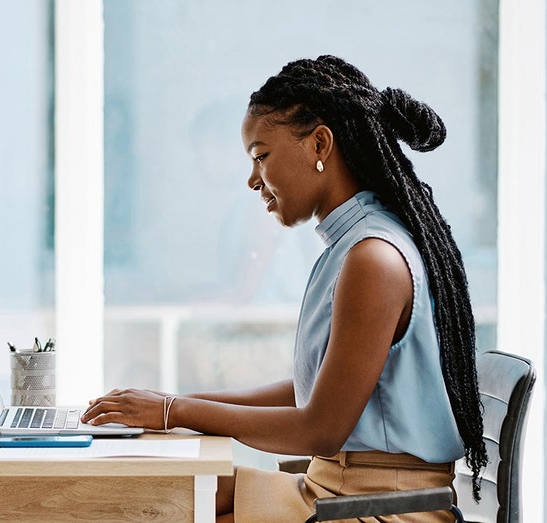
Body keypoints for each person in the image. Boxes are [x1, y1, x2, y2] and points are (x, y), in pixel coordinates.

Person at [80, 55, 486, 522]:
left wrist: (176, 410)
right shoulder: (351, 245)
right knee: (164, 500)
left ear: (319, 144)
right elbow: (312, 393)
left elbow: (321, 428)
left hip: (382, 509)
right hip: (333, 489)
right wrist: (172, 402)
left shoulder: (374, 258)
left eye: (261, 155)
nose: (253, 179)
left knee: (166, 512)